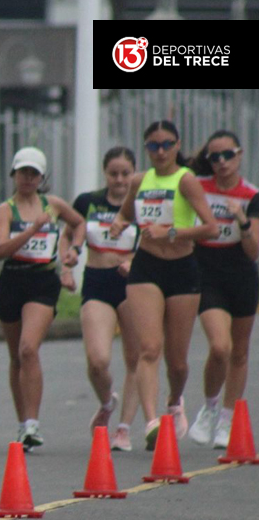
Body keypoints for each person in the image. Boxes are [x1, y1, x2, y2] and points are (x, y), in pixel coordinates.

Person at [109, 120, 218, 450]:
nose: (160, 152)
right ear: (146, 148)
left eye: (166, 145)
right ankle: (152, 421)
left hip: (182, 268)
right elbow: (126, 213)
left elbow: (210, 228)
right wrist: (117, 225)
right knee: (149, 348)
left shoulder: (185, 181)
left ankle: (174, 401)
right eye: (153, 146)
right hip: (147, 267)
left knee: (178, 360)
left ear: (177, 145)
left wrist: (170, 232)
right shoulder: (140, 180)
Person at [0, 147, 84, 451]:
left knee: (29, 348)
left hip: (43, 280)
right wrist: (32, 229)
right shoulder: (6, 209)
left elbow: (80, 223)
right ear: (14, 175)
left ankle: (33, 423)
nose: (27, 178)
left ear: (42, 177)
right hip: (12, 279)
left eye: (33, 173)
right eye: (22, 172)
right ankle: (23, 425)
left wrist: (75, 249)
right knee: (16, 355)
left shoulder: (53, 205)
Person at [61, 147, 141, 451]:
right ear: (105, 173)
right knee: (98, 360)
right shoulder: (88, 202)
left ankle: (123, 429)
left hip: (133, 284)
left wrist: (135, 260)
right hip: (97, 280)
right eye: (113, 173)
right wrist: (67, 265)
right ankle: (107, 403)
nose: (119, 180)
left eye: (125, 173)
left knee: (135, 359)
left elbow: (154, 241)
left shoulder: (142, 205)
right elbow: (68, 234)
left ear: (134, 173)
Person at [187, 130, 259, 449]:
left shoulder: (252, 194)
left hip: (241, 273)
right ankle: (210, 406)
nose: (222, 162)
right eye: (214, 157)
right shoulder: (199, 187)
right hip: (207, 271)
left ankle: (227, 420)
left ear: (239, 154)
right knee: (220, 346)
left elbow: (253, 250)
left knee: (240, 351)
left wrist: (242, 220)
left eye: (228, 155)